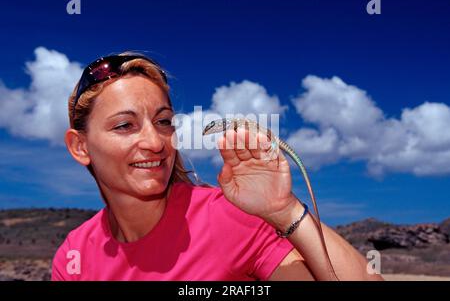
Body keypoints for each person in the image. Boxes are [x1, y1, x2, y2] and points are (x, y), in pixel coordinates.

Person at [52, 52, 383, 281]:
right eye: (124, 125)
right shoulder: (75, 256)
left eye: (164, 121)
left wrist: (284, 210)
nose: (156, 141)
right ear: (80, 146)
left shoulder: (228, 216)